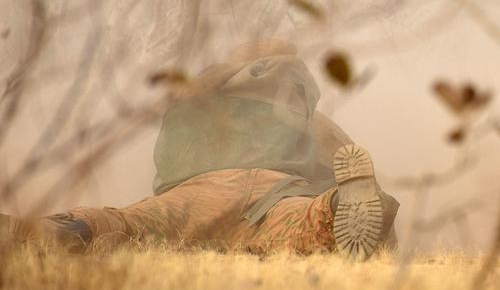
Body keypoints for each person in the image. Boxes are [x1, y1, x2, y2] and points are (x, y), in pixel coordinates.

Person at [3, 41, 397, 259]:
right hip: (277, 193)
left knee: (133, 222)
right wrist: (368, 218)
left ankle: (56, 228)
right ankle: (331, 212)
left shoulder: (204, 104)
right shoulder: (314, 121)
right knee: (300, 223)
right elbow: (345, 162)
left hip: (197, 192)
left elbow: (169, 156)